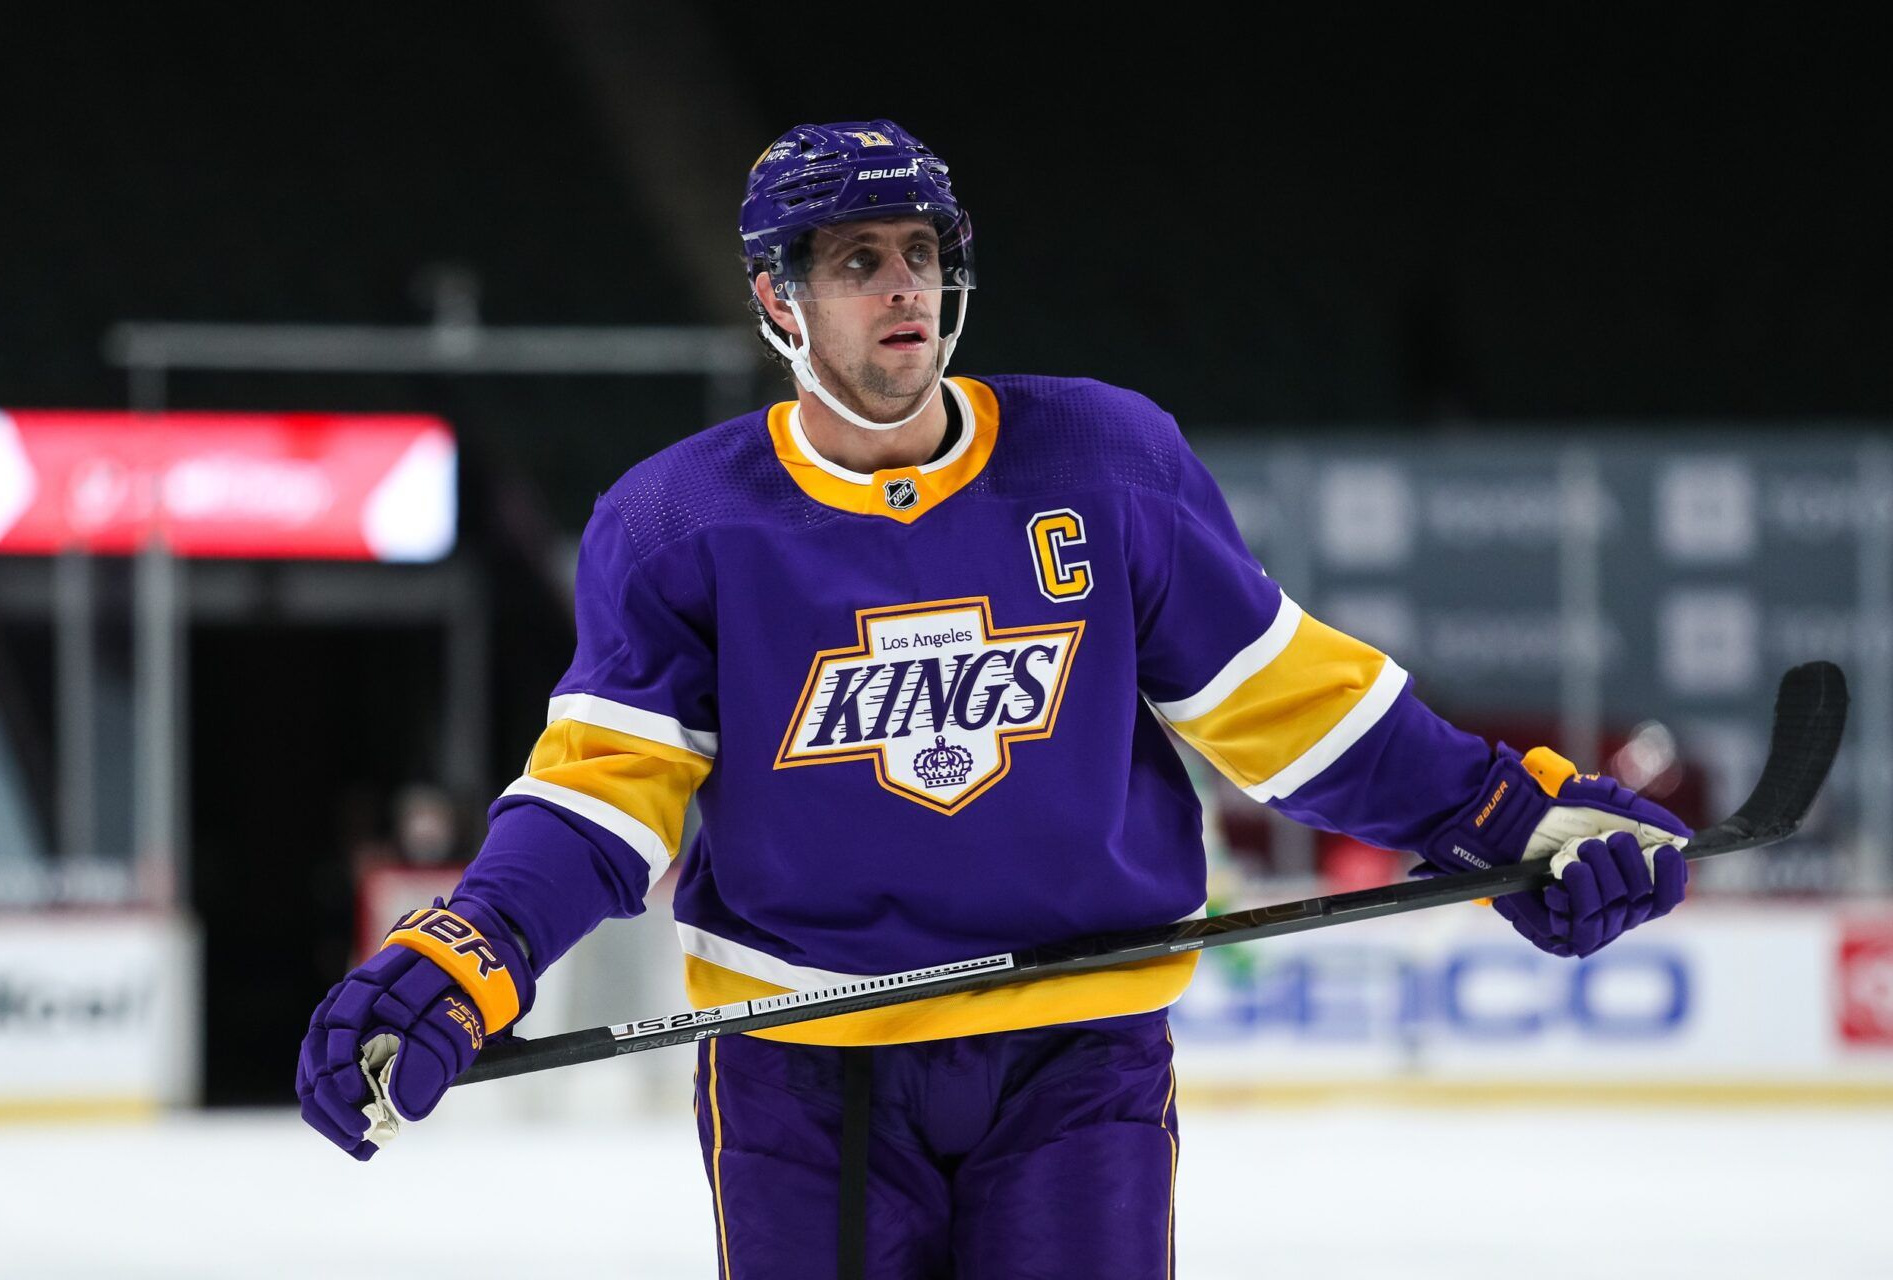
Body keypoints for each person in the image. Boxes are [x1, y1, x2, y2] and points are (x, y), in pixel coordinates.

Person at [297, 121, 1690, 1278]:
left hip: (1076, 1051)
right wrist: (470, 948)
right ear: (779, 299)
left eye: (920, 254)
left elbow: (1290, 703)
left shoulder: (1105, 459)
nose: (903, 287)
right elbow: (604, 797)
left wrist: (1504, 814)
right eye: (858, 261)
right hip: (806, 1070)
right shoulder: (676, 523)